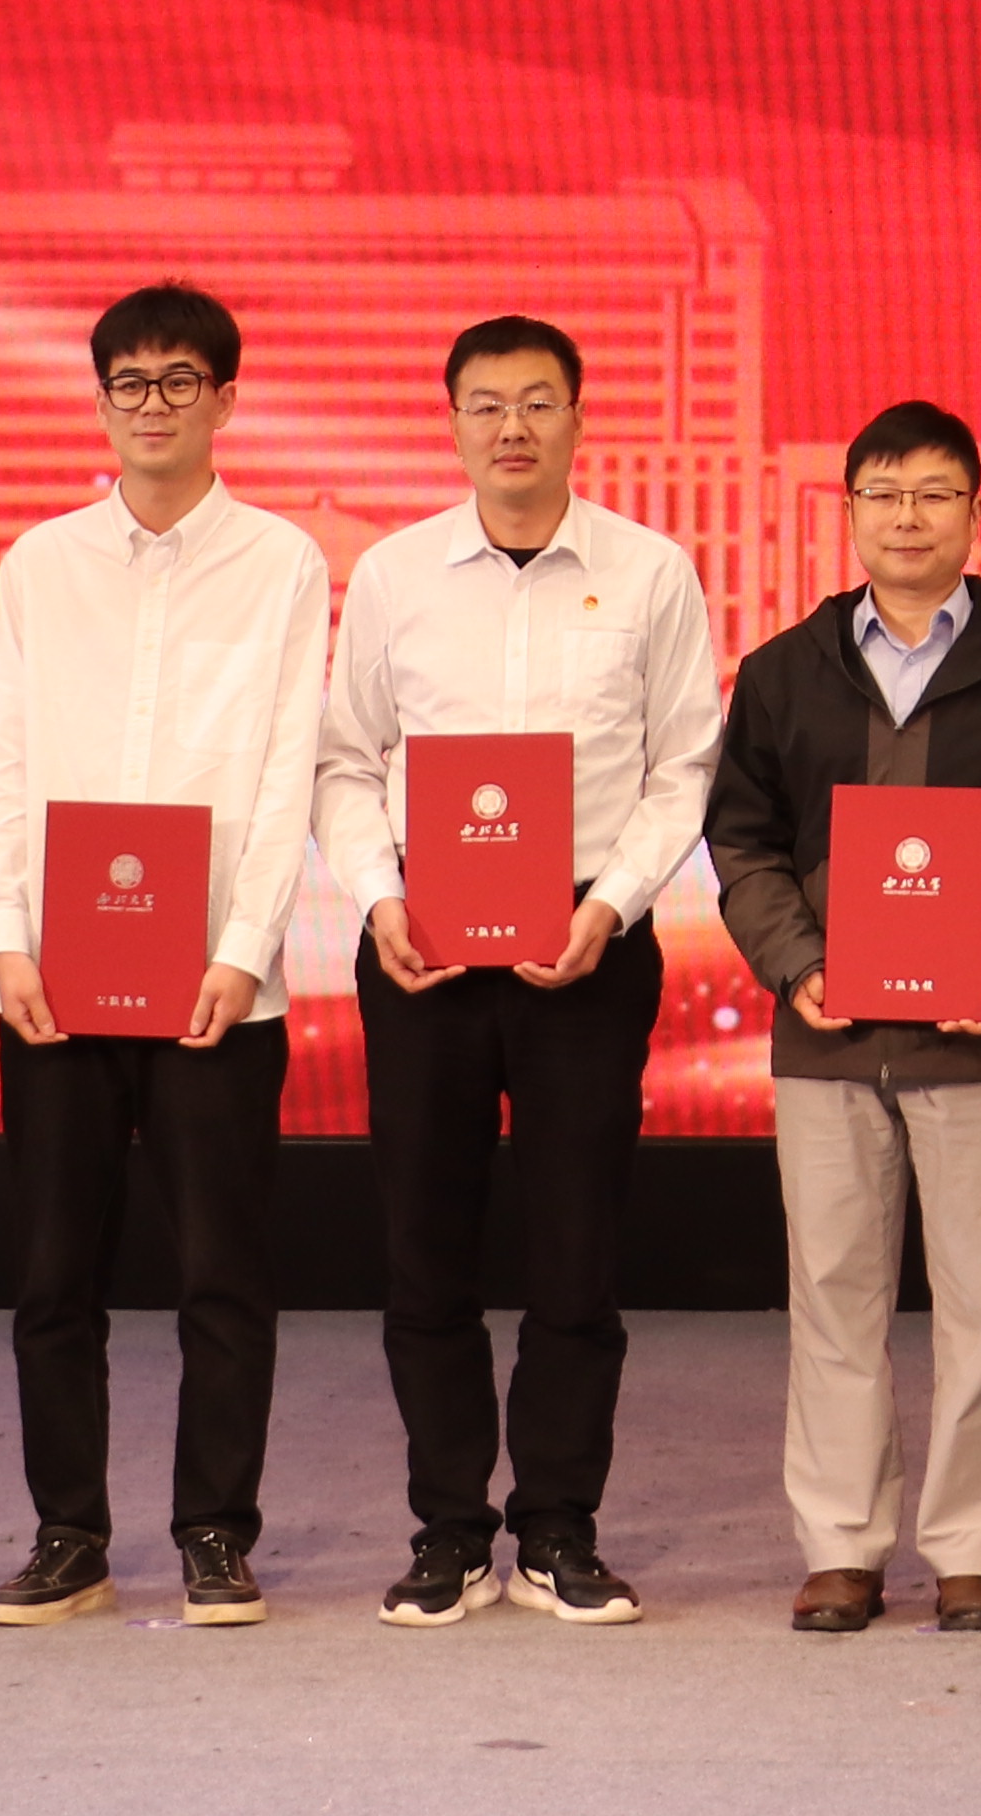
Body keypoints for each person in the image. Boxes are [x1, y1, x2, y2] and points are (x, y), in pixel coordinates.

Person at [308, 314, 723, 1630]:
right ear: (452, 424)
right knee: (424, 1250)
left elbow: (684, 766)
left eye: (538, 401)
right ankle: (445, 1529)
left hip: (586, 951)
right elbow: (346, 759)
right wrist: (379, 897)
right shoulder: (395, 574)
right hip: (423, 957)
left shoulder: (650, 571)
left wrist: (611, 905)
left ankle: (557, 1528)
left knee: (575, 1252)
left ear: (579, 419)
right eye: (486, 404)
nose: (512, 427)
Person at [705, 400, 981, 1645]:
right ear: (848, 513)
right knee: (832, 1293)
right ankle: (841, 1546)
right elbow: (742, 838)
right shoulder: (785, 670)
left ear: (976, 513)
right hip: (827, 1034)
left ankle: (972, 1551)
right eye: (884, 493)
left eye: (934, 493)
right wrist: (796, 964)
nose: (908, 516)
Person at [0, 283, 328, 1633]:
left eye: (182, 380)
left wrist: (245, 946)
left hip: (218, 986)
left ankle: (216, 1530)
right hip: (56, 978)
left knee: (223, 1275)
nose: (154, 404)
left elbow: (287, 765)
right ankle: (69, 1533)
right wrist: (4, 937)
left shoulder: (283, 562)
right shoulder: (40, 561)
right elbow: (6, 759)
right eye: (130, 381)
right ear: (102, 398)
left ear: (227, 398)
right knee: (54, 1276)